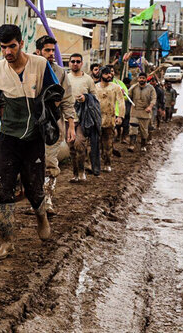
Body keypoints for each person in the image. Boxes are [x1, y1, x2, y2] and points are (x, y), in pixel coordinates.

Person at [0, 24, 57, 260]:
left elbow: (56, 94)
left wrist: (53, 120)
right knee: (4, 189)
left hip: (33, 138)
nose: (7, 52)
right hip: (9, 137)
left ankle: (41, 216)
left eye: (11, 46)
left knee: (34, 188)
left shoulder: (40, 65)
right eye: (3, 47)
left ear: (21, 43)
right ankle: (6, 241)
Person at [35, 35, 75, 216]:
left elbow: (67, 99)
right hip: (31, 124)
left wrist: (71, 125)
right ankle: (35, 199)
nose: (51, 54)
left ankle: (47, 200)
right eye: (47, 50)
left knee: (50, 161)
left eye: (53, 50)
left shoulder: (60, 73)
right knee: (32, 163)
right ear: (38, 51)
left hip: (52, 124)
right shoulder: (29, 68)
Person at [67, 53, 100, 181]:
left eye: (78, 61)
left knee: (79, 144)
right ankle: (75, 174)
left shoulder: (87, 80)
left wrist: (86, 98)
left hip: (83, 118)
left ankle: (82, 172)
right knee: (71, 147)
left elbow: (95, 97)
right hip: (67, 118)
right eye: (73, 61)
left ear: (81, 63)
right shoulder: (65, 78)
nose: (75, 64)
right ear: (69, 63)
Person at [95, 66, 125, 172]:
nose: (109, 75)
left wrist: (120, 116)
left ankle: (107, 163)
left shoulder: (115, 87)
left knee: (107, 144)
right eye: (106, 73)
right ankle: (94, 164)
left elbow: (121, 102)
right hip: (97, 120)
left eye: (110, 74)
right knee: (95, 143)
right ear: (101, 75)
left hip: (110, 119)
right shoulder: (95, 87)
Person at [128, 72, 156, 152]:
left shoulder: (151, 88)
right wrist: (123, 93)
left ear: (146, 79)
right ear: (138, 79)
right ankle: (131, 145)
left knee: (144, 131)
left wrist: (150, 107)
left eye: (143, 78)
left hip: (145, 113)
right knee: (133, 129)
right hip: (134, 112)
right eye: (140, 78)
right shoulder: (134, 87)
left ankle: (143, 145)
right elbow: (127, 96)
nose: (141, 80)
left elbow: (154, 99)